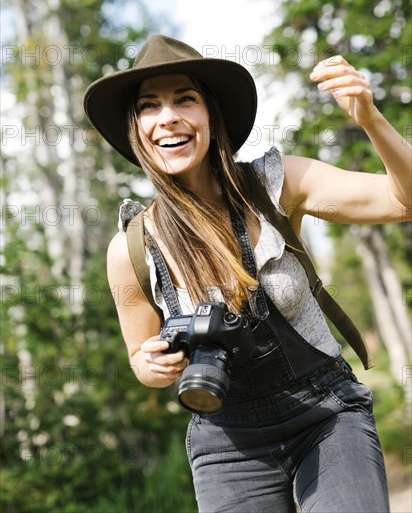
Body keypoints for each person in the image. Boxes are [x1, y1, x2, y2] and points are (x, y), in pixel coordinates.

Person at [84, 35, 411, 512]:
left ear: (212, 116)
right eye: (148, 106)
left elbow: (404, 202)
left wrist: (370, 120)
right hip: (226, 443)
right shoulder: (131, 248)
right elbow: (139, 356)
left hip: (325, 415)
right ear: (137, 129)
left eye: (185, 99)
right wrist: (153, 367)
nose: (168, 117)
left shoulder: (276, 185)